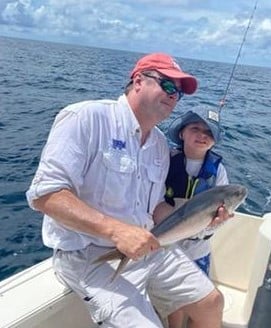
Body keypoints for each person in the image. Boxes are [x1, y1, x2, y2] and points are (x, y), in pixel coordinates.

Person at [26, 52, 229, 328]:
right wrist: (116, 231)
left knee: (211, 302)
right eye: (167, 85)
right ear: (137, 81)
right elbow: (45, 195)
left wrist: (202, 222)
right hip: (89, 256)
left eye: (178, 92)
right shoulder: (85, 117)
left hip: (148, 247)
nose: (173, 95)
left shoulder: (159, 145)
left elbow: (157, 207)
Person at [156, 109, 229, 327]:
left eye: (209, 132)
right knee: (175, 305)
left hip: (200, 250)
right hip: (168, 247)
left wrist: (211, 226)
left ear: (214, 141)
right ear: (181, 133)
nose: (202, 134)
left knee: (200, 303)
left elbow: (221, 215)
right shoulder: (166, 161)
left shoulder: (219, 171)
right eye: (195, 128)